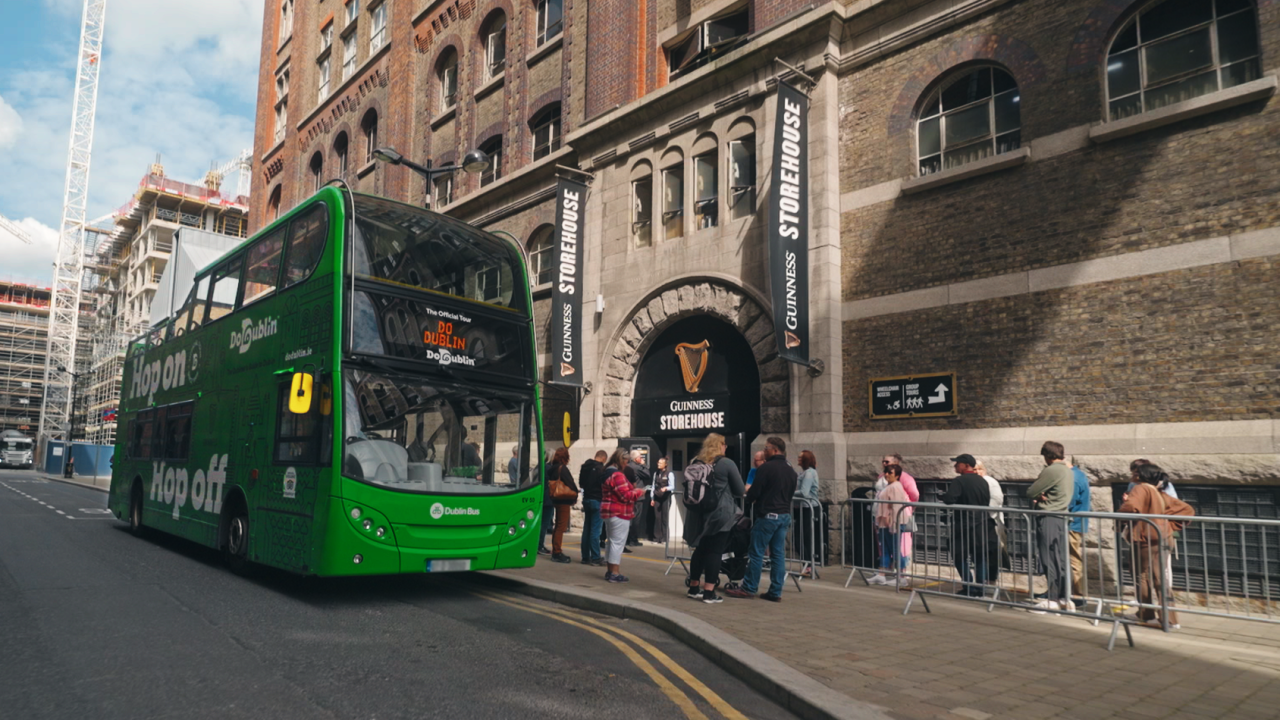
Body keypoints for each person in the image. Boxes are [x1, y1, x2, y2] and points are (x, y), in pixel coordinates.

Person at [1120, 463, 1194, 629]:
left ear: (1140, 475)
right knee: (1159, 578)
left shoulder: (1141, 489)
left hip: (1146, 538)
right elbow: (1187, 510)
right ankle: (1169, 619)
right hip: (1161, 537)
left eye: (1135, 472)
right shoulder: (1157, 491)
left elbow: (1131, 507)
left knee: (1142, 575)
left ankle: (1147, 615)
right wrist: (1166, 524)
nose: (1132, 475)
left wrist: (1121, 516)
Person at [726, 436, 797, 602]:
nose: (764, 451)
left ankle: (749, 588)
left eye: (766, 448)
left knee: (756, 552)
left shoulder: (767, 468)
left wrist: (750, 499)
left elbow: (754, 492)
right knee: (778, 555)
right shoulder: (790, 469)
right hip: (784, 514)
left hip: (768, 515)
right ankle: (775, 591)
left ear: (775, 450)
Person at [682, 433, 745, 604]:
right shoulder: (726, 463)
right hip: (720, 514)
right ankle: (709, 592)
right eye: (724, 444)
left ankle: (694, 588)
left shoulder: (696, 462)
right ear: (721, 445)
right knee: (715, 551)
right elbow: (739, 490)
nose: (726, 447)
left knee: (700, 550)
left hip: (699, 514)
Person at [1025, 441, 1075, 612]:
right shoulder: (1067, 470)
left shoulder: (1052, 470)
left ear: (1048, 455)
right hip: (1061, 516)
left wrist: (1039, 497)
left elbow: (1031, 491)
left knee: (1049, 558)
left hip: (1049, 516)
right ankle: (1064, 597)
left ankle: (1052, 599)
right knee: (1060, 558)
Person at [941, 453, 992, 597]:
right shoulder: (982, 481)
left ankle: (968, 585)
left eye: (958, 463)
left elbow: (950, 499)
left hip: (963, 525)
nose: (955, 466)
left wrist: (944, 496)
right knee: (980, 557)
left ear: (966, 465)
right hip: (981, 524)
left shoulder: (959, 481)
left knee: (958, 555)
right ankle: (980, 588)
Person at [600, 448, 646, 583]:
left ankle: (610, 571)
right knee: (617, 543)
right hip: (619, 512)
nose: (626, 465)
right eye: (626, 462)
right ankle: (614, 573)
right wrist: (638, 492)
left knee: (611, 542)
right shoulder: (618, 475)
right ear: (622, 460)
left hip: (608, 511)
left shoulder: (606, 472)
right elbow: (625, 496)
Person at [869, 463, 913, 585]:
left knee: (895, 549)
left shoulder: (895, 487)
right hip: (886, 522)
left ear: (897, 475)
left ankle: (901, 576)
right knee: (885, 549)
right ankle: (881, 573)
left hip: (892, 522)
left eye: (890, 472)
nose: (887, 474)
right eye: (886, 472)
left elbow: (896, 506)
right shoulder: (890, 486)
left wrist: (893, 521)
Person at [546, 447, 579, 564]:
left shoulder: (552, 468)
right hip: (563, 500)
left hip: (555, 498)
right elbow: (570, 483)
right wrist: (576, 493)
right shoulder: (562, 468)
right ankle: (557, 551)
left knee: (557, 526)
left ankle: (556, 550)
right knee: (561, 526)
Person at [974, 460, 1005, 583]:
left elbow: (997, 499)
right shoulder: (976, 482)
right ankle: (984, 578)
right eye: (975, 470)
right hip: (981, 521)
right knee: (983, 551)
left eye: (979, 469)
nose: (977, 472)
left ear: (984, 470)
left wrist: (984, 513)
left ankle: (991, 577)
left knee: (992, 550)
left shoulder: (990, 482)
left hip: (992, 520)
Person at [1067, 459, 1091, 600]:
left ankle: (1077, 594)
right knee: (1073, 559)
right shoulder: (1079, 474)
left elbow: (1070, 500)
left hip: (1072, 524)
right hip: (1077, 523)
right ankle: (1075, 593)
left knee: (1073, 559)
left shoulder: (1073, 477)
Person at [578, 450, 608, 565]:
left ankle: (585, 557)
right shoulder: (601, 469)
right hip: (597, 500)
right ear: (603, 458)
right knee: (595, 531)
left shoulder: (585, 467)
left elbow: (581, 484)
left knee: (587, 529)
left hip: (587, 499)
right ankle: (595, 557)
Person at [794, 450, 821, 573]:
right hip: (803, 508)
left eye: (801, 457)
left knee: (805, 538)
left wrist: (788, 494)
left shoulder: (809, 473)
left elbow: (804, 492)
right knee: (801, 538)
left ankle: (809, 565)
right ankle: (808, 564)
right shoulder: (804, 473)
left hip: (809, 508)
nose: (798, 459)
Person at [625, 450, 651, 547]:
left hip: (629, 495)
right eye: (641, 457)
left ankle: (628, 539)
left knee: (629, 518)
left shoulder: (628, 466)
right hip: (637, 496)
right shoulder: (636, 467)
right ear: (636, 459)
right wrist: (644, 465)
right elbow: (647, 475)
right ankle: (633, 539)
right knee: (636, 518)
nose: (642, 459)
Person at [651, 457, 675, 545]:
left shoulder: (669, 474)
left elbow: (673, 486)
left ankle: (665, 538)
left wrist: (666, 488)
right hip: (657, 497)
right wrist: (652, 498)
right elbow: (653, 486)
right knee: (657, 518)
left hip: (666, 498)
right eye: (658, 463)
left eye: (661, 463)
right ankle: (657, 538)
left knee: (665, 518)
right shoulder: (655, 473)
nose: (658, 464)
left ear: (665, 464)